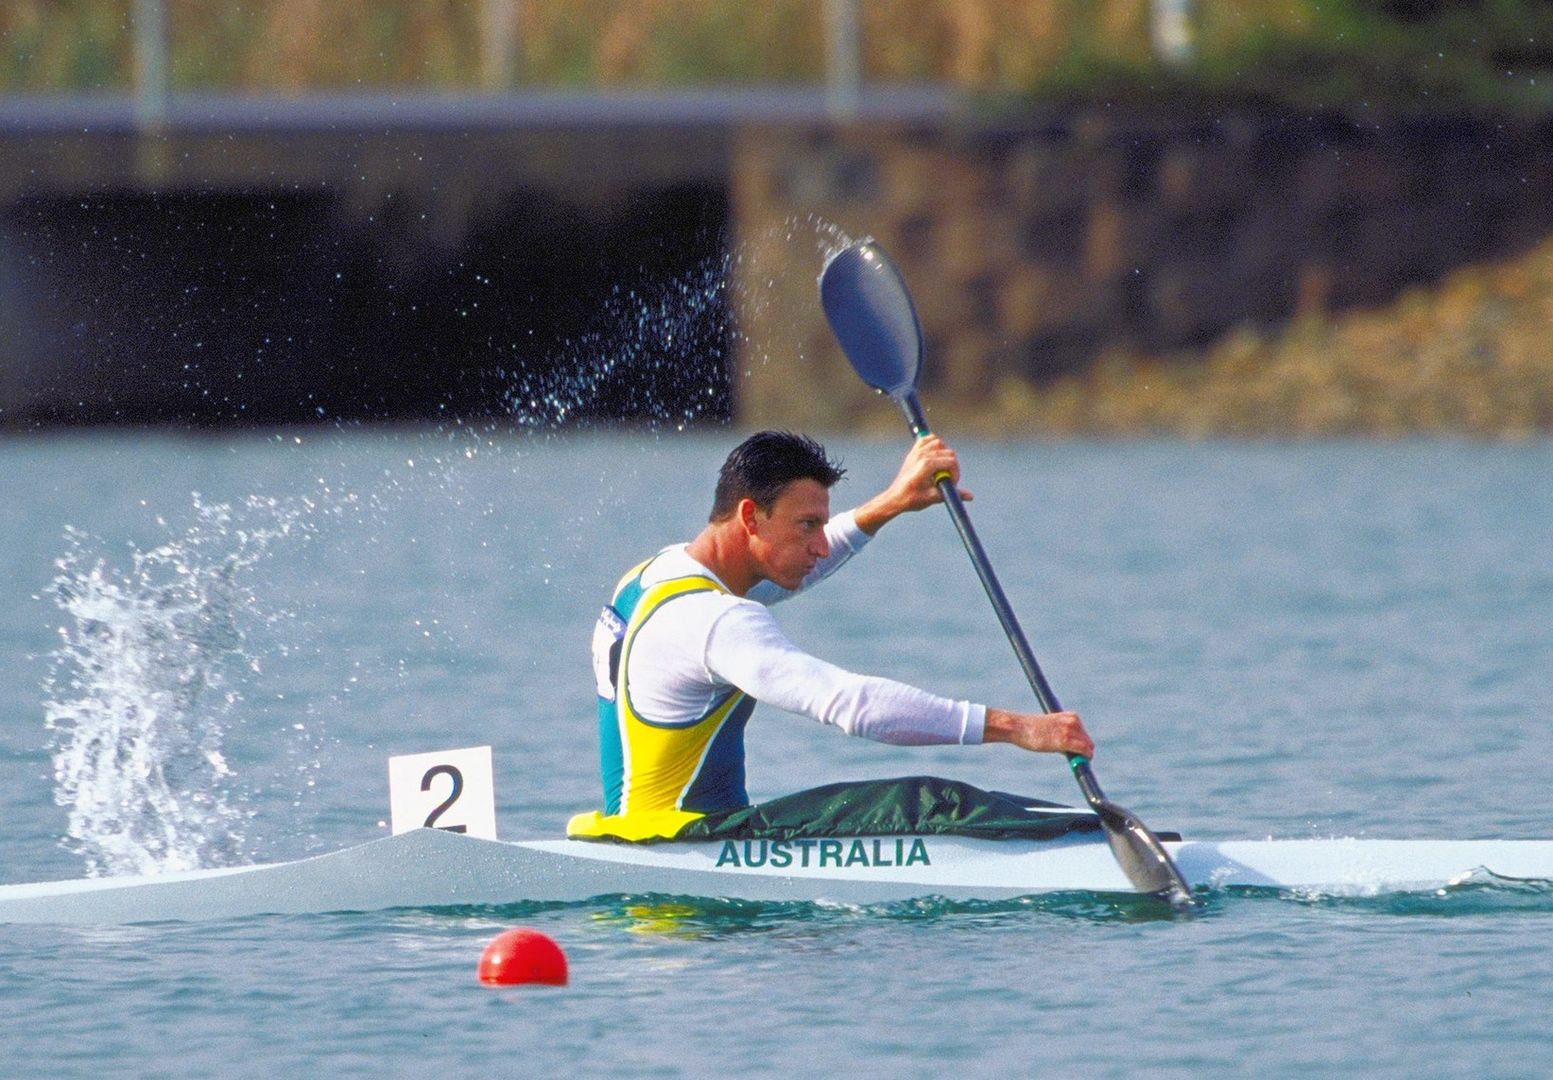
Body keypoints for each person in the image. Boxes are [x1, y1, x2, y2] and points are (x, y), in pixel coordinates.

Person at [571, 430, 1094, 841]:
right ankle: (1088, 847)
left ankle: (1081, 833)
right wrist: (1018, 728)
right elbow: (852, 704)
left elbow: (792, 572)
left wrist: (889, 504)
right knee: (930, 802)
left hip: (639, 835)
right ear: (751, 516)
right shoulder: (718, 621)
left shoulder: (654, 577)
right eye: (807, 526)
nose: (820, 546)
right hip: (689, 845)